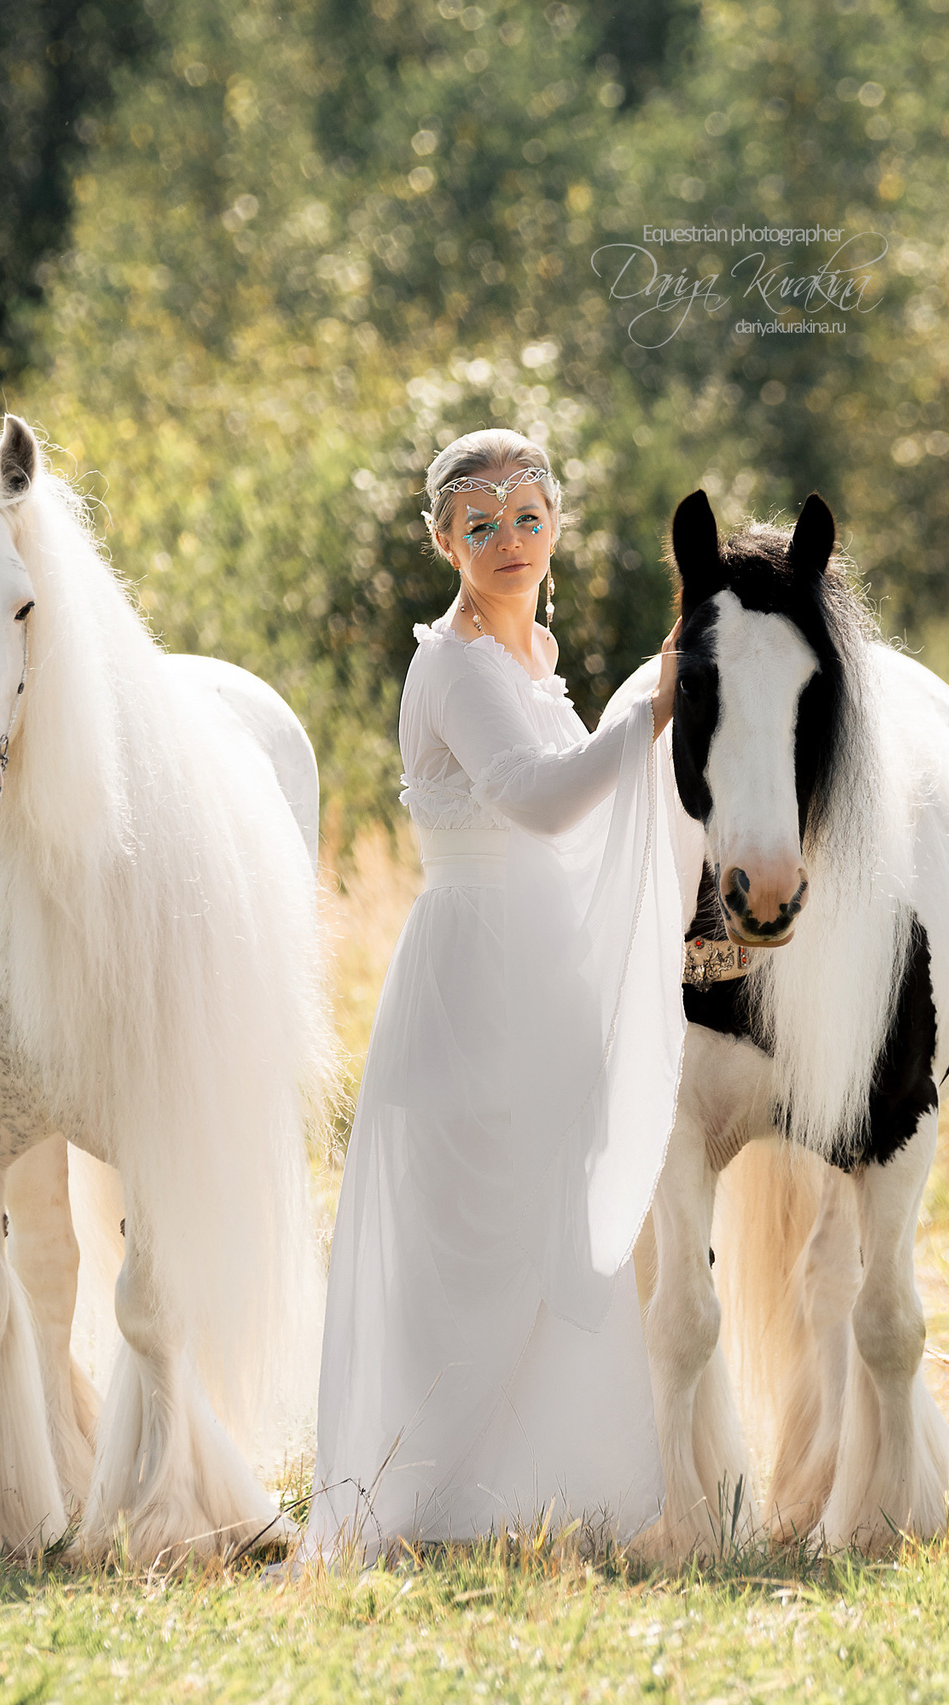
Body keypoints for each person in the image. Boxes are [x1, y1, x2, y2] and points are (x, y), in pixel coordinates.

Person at [302, 428, 684, 1564]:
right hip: (477, 977)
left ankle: (542, 1493)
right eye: (481, 523)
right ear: (443, 541)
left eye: (528, 515)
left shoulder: (533, 655)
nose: (509, 539)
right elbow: (536, 797)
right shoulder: (458, 665)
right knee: (471, 1238)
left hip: (546, 973)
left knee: (548, 1231)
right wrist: (649, 712)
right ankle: (434, 1501)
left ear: (556, 524)